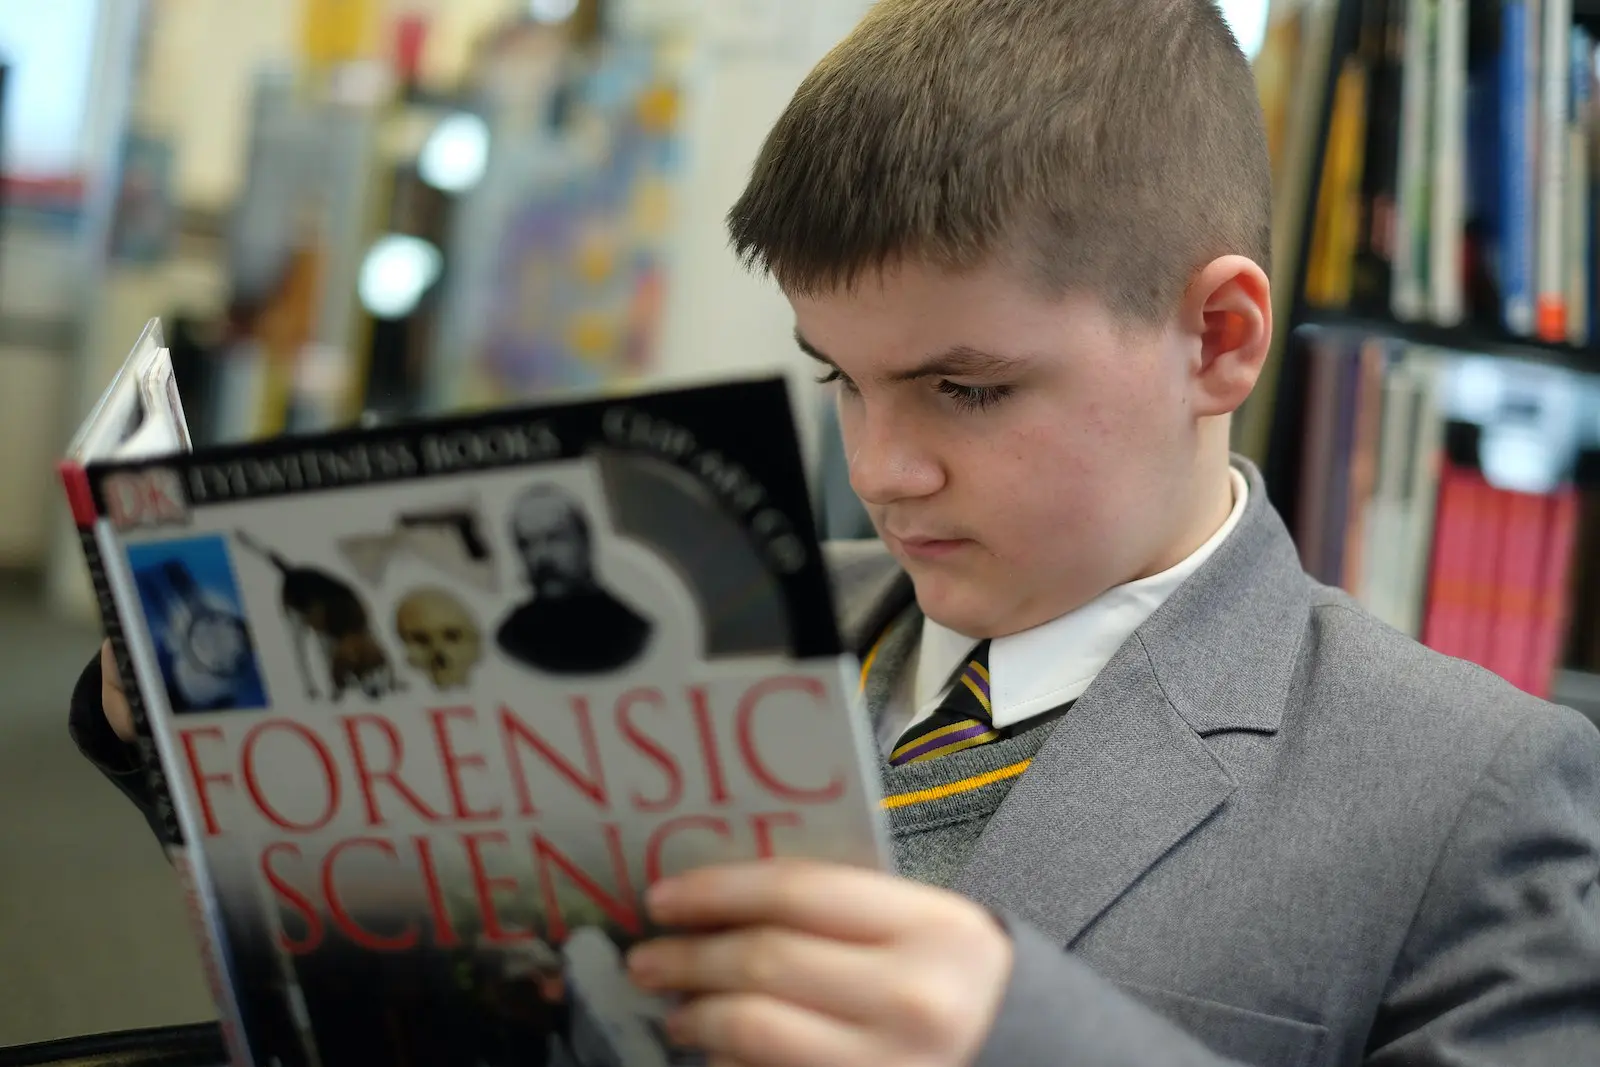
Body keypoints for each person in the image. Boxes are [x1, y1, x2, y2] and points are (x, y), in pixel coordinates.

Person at [72, 1, 1599, 1065]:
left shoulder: (1463, 789)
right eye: (839, 381)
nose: (882, 470)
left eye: (965, 389)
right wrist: (211, 719)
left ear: (1217, 337)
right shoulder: (725, 607)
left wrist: (1021, 1041)